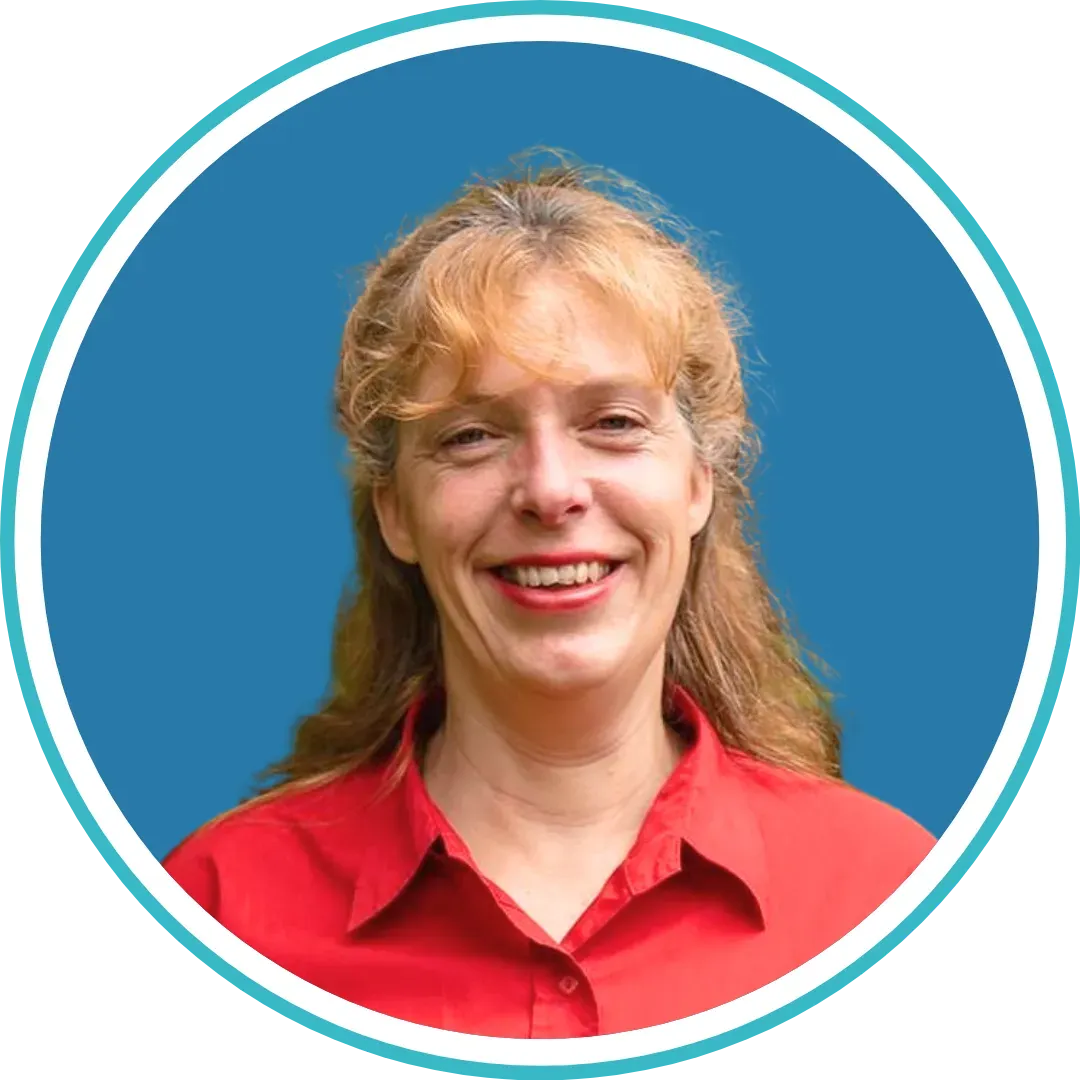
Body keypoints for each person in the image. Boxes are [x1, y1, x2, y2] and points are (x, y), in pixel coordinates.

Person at [164, 153, 936, 1039]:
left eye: (613, 422)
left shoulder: (896, 896)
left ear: (698, 483)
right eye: (471, 436)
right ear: (396, 512)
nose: (550, 490)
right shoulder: (218, 911)